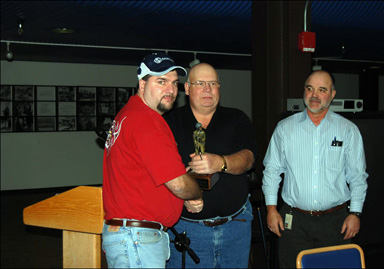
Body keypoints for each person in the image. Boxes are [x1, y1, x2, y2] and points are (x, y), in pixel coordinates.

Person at [102, 52, 203, 269]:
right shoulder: (147, 120)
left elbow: (146, 177)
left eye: (175, 83)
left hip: (129, 235)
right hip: (137, 238)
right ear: (142, 83)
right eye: (161, 81)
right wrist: (196, 192)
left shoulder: (127, 115)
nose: (171, 90)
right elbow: (177, 183)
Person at [262, 70, 368, 268]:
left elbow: (357, 176)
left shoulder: (348, 130)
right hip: (294, 222)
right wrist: (271, 209)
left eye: (322, 90)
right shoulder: (285, 128)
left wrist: (355, 213)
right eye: (310, 89)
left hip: (336, 222)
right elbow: (271, 171)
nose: (314, 95)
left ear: (333, 94)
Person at [164, 63, 257, 268]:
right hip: (188, 230)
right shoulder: (169, 122)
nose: (207, 89)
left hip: (236, 227)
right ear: (187, 89)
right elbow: (160, 173)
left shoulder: (236, 118)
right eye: (200, 83)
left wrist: (220, 163)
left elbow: (249, 159)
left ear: (219, 87)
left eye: (212, 83)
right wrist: (184, 195)